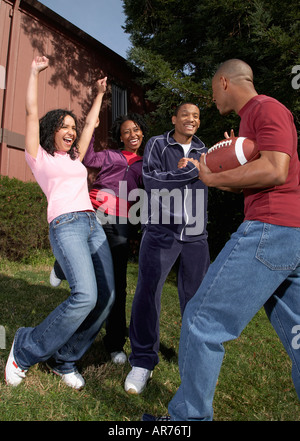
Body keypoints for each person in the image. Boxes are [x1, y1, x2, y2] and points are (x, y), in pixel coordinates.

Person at [143, 59, 300, 421]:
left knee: (201, 320)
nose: (210, 98)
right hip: (288, 235)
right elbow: (263, 168)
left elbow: (276, 170)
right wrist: (231, 164)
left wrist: (210, 179)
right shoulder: (251, 121)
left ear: (225, 82)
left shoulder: (267, 108)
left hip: (269, 229)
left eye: (212, 89)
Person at [5, 56, 115, 390]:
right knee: (84, 295)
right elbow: (29, 110)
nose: (70, 131)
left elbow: (92, 123)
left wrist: (98, 95)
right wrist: (34, 72)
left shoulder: (74, 157)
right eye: (64, 126)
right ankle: (25, 349)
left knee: (106, 298)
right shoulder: (38, 156)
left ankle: (64, 359)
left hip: (92, 224)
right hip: (66, 224)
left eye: (72, 127)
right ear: (52, 129)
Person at [124, 103, 210, 394]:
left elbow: (220, 177)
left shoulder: (204, 150)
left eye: (196, 116)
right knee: (148, 293)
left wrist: (233, 152)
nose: (192, 119)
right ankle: (143, 361)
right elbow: (151, 180)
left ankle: (193, 359)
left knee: (197, 301)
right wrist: (190, 174)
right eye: (186, 114)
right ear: (174, 119)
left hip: (196, 234)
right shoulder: (157, 144)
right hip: (161, 230)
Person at [50, 113, 148, 364]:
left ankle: (114, 343)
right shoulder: (111, 156)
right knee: (83, 267)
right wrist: (91, 130)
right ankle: (61, 266)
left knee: (116, 285)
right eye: (126, 131)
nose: (132, 135)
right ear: (120, 137)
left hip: (122, 224)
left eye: (136, 130)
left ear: (142, 133)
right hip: (94, 213)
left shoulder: (146, 164)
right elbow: (89, 158)